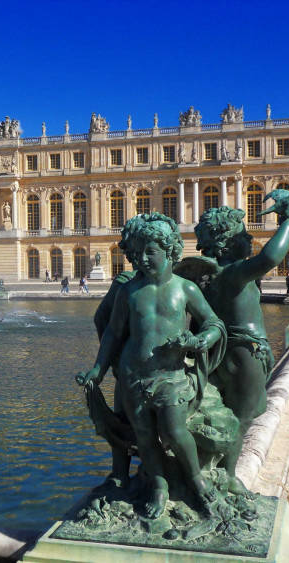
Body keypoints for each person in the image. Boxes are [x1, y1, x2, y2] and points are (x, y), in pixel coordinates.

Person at [77, 213, 225, 518]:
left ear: (169, 251)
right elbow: (114, 335)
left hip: (170, 376)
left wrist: (199, 341)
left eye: (151, 252)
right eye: (139, 252)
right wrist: (97, 370)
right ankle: (159, 487)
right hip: (134, 377)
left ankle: (195, 478)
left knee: (174, 431)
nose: (142, 259)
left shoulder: (186, 289)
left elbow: (213, 323)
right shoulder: (130, 291)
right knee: (143, 436)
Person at [179, 190, 289, 496]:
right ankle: (229, 476)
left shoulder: (206, 277)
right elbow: (271, 257)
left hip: (219, 351)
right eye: (243, 234)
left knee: (223, 412)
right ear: (227, 242)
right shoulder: (233, 274)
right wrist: (288, 220)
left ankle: (205, 470)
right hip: (244, 353)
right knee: (244, 416)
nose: (250, 237)